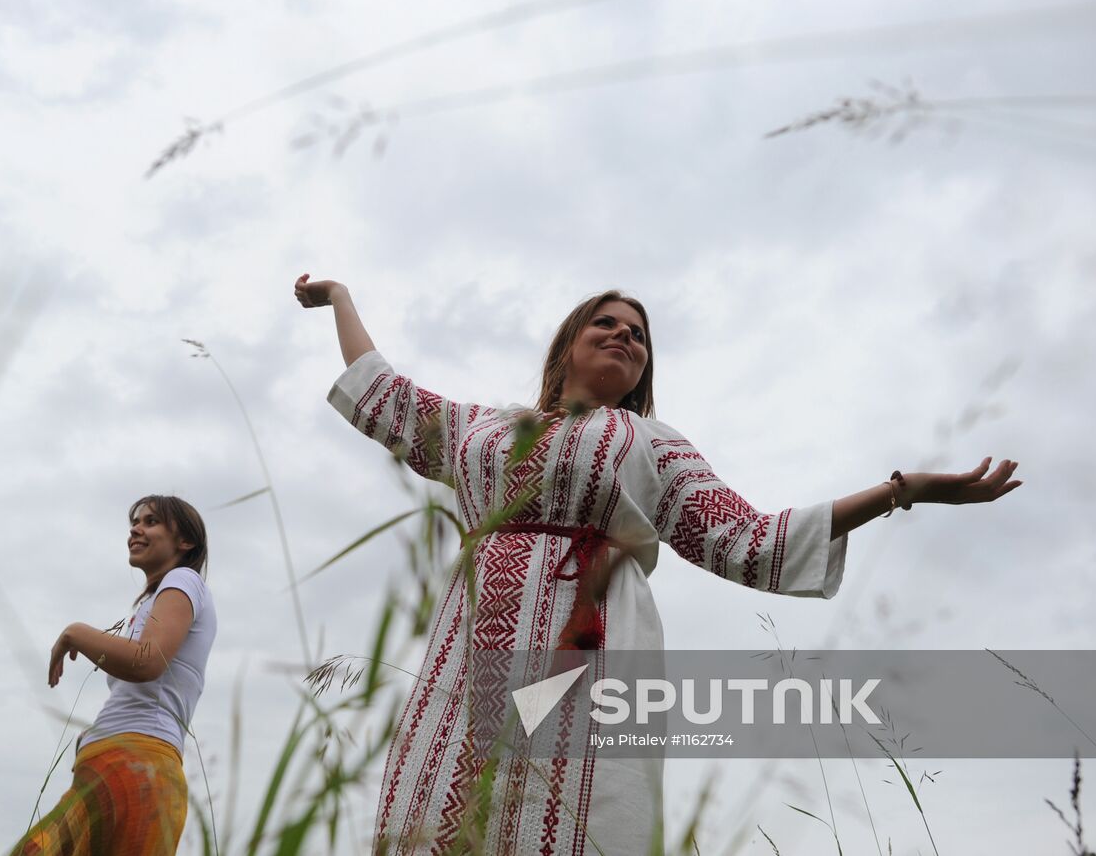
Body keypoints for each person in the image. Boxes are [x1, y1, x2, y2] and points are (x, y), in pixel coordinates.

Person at [294, 273, 1021, 854]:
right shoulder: (487, 427)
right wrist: (341, 299)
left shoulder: (652, 444)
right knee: (439, 800)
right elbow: (383, 391)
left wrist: (901, 492)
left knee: (567, 809)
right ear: (567, 345)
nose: (624, 336)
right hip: (469, 640)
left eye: (638, 335)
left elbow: (753, 539)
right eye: (606, 323)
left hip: (593, 639)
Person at [11, 495, 218, 856]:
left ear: (185, 542)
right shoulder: (152, 603)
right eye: (134, 522)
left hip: (137, 767)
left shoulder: (184, 580)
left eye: (151, 522)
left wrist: (75, 632)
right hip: (110, 768)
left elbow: (145, 661)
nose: (136, 530)